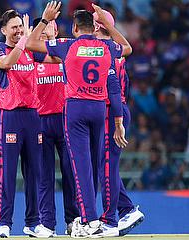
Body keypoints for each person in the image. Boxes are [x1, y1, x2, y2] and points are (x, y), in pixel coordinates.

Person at [26, 2, 130, 238]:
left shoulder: (67, 46)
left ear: (74, 28)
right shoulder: (106, 46)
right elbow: (127, 48)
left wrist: (44, 19)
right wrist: (105, 22)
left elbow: (31, 45)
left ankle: (89, 221)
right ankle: (95, 218)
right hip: (98, 109)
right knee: (95, 166)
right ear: (93, 28)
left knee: (81, 168)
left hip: (76, 109)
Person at [0, 9, 58, 238]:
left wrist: (69, 50)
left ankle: (32, 223)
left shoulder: (30, 51)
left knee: (34, 173)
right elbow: (7, 63)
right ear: (3, 30)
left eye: (21, 27)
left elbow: (55, 58)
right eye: (14, 28)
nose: (19, 31)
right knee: (8, 173)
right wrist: (26, 41)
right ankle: (4, 224)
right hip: (10, 116)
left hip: (32, 116)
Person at [93, 9, 145, 237]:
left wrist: (117, 120)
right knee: (105, 167)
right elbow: (128, 47)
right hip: (110, 110)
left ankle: (110, 220)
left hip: (112, 111)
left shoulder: (108, 49)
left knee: (106, 167)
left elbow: (128, 48)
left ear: (97, 26)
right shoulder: (114, 49)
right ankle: (127, 209)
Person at [31, 17, 78, 236]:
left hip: (66, 119)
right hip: (41, 121)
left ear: (57, 28)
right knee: (45, 176)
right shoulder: (32, 56)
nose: (45, 30)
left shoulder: (67, 50)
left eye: (49, 25)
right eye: (40, 28)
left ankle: (74, 221)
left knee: (71, 173)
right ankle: (47, 224)